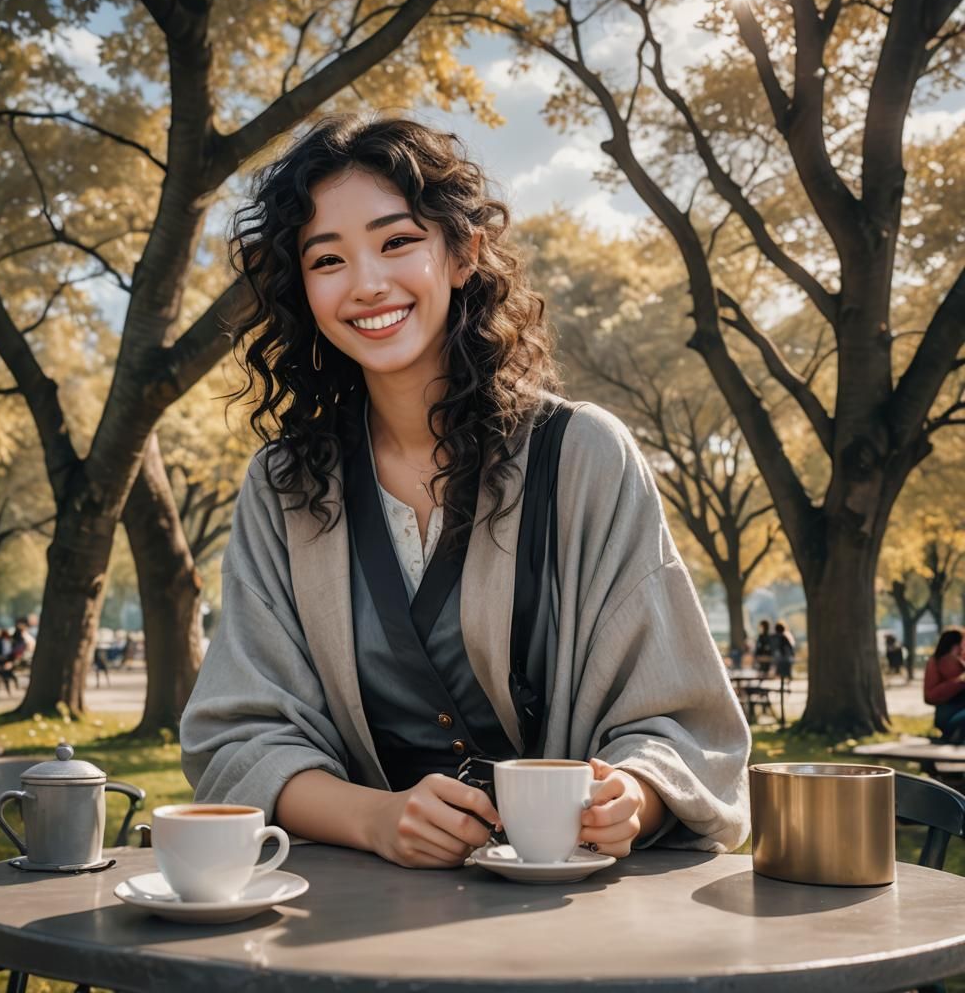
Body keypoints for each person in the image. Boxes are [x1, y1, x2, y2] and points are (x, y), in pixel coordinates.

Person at [180, 115, 750, 870]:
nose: (368, 283)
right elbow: (238, 737)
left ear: (462, 253)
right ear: (304, 291)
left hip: (565, 903)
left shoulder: (584, 455)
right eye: (327, 260)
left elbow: (679, 718)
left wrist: (632, 799)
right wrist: (377, 818)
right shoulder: (283, 487)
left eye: (397, 241)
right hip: (353, 905)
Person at [923, 627, 965, 743]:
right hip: (949, 716)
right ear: (955, 645)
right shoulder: (936, 662)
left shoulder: (961, 661)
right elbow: (930, 696)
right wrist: (959, 682)